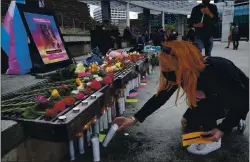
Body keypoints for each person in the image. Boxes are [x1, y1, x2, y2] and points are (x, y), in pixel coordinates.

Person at [113, 40, 249, 155]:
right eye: (163, 68)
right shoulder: (179, 73)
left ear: (185, 63)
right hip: (210, 99)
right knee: (188, 121)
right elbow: (161, 97)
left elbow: (244, 98)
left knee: (214, 115)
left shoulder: (217, 70)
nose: (165, 72)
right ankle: (215, 115)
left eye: (168, 68)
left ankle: (231, 123)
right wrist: (135, 118)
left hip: (232, 100)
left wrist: (223, 128)